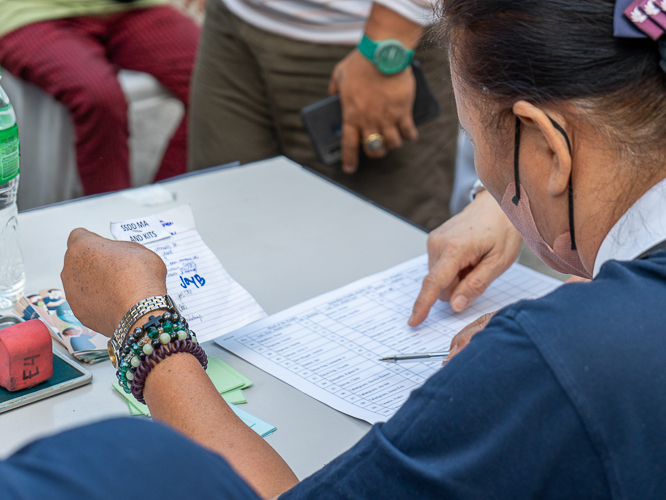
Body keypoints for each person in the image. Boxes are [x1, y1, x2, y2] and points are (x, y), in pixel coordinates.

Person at [4, 0, 666, 497]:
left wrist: (141, 320)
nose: (486, 185)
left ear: (549, 148)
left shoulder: (561, 359)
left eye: (476, 139)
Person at [186, 0, 458, 230]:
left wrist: (386, 45)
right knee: (222, 224)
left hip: (368, 40)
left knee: (375, 243)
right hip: (233, 22)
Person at [0, 1, 200, 195]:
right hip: (30, 12)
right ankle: (113, 215)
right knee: (99, 96)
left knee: (213, 79)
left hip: (131, 7)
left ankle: (166, 203)